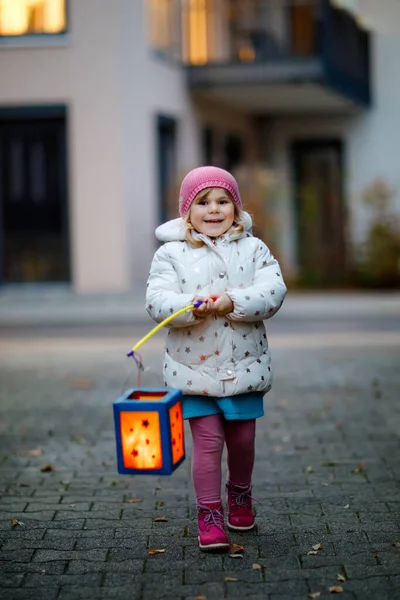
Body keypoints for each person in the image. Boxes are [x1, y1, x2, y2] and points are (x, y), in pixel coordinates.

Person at [146, 166, 287, 551]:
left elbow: (273, 290)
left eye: (223, 201)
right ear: (186, 211)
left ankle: (240, 494)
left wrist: (234, 301)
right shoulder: (170, 254)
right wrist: (190, 306)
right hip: (193, 370)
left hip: (244, 367)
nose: (213, 209)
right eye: (202, 202)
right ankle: (209, 514)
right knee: (208, 444)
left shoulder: (253, 249)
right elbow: (157, 301)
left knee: (242, 440)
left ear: (236, 209)